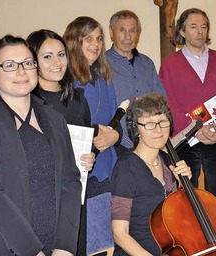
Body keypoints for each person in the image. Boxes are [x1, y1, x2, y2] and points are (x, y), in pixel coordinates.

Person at [0, 35, 81, 255]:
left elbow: (70, 181)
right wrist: (32, 251)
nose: (21, 71)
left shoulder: (54, 119)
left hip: (55, 246)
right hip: (4, 245)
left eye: (27, 63)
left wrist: (65, 246)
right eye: (10, 65)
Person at [159, 8, 216, 212]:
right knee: (186, 198)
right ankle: (190, 243)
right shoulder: (170, 64)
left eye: (203, 27)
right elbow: (168, 103)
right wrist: (194, 129)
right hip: (185, 141)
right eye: (193, 27)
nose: (200, 32)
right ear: (182, 31)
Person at [27, 29, 96, 255]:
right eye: (47, 56)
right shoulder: (25, 103)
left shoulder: (78, 100)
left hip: (74, 197)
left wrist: (90, 156)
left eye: (61, 54)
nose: (57, 62)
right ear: (32, 60)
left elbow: (85, 142)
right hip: (39, 199)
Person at [64, 16, 122, 255]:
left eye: (99, 38)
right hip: (84, 170)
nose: (96, 44)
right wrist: (100, 133)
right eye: (88, 38)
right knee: (92, 244)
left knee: (108, 243)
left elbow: (117, 123)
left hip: (108, 166)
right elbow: (68, 126)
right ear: (75, 41)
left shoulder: (104, 76)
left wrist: (115, 137)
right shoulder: (66, 80)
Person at [111, 93, 192, 255]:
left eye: (162, 122)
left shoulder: (168, 161)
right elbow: (120, 234)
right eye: (149, 124)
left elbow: (176, 217)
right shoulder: (126, 168)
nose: (158, 129)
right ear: (136, 129)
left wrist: (184, 185)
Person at [107, 10, 167, 151]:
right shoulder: (102, 64)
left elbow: (161, 102)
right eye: (122, 30)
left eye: (132, 31)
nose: (128, 36)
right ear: (111, 32)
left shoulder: (147, 63)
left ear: (138, 34)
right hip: (117, 145)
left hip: (149, 144)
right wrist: (127, 141)